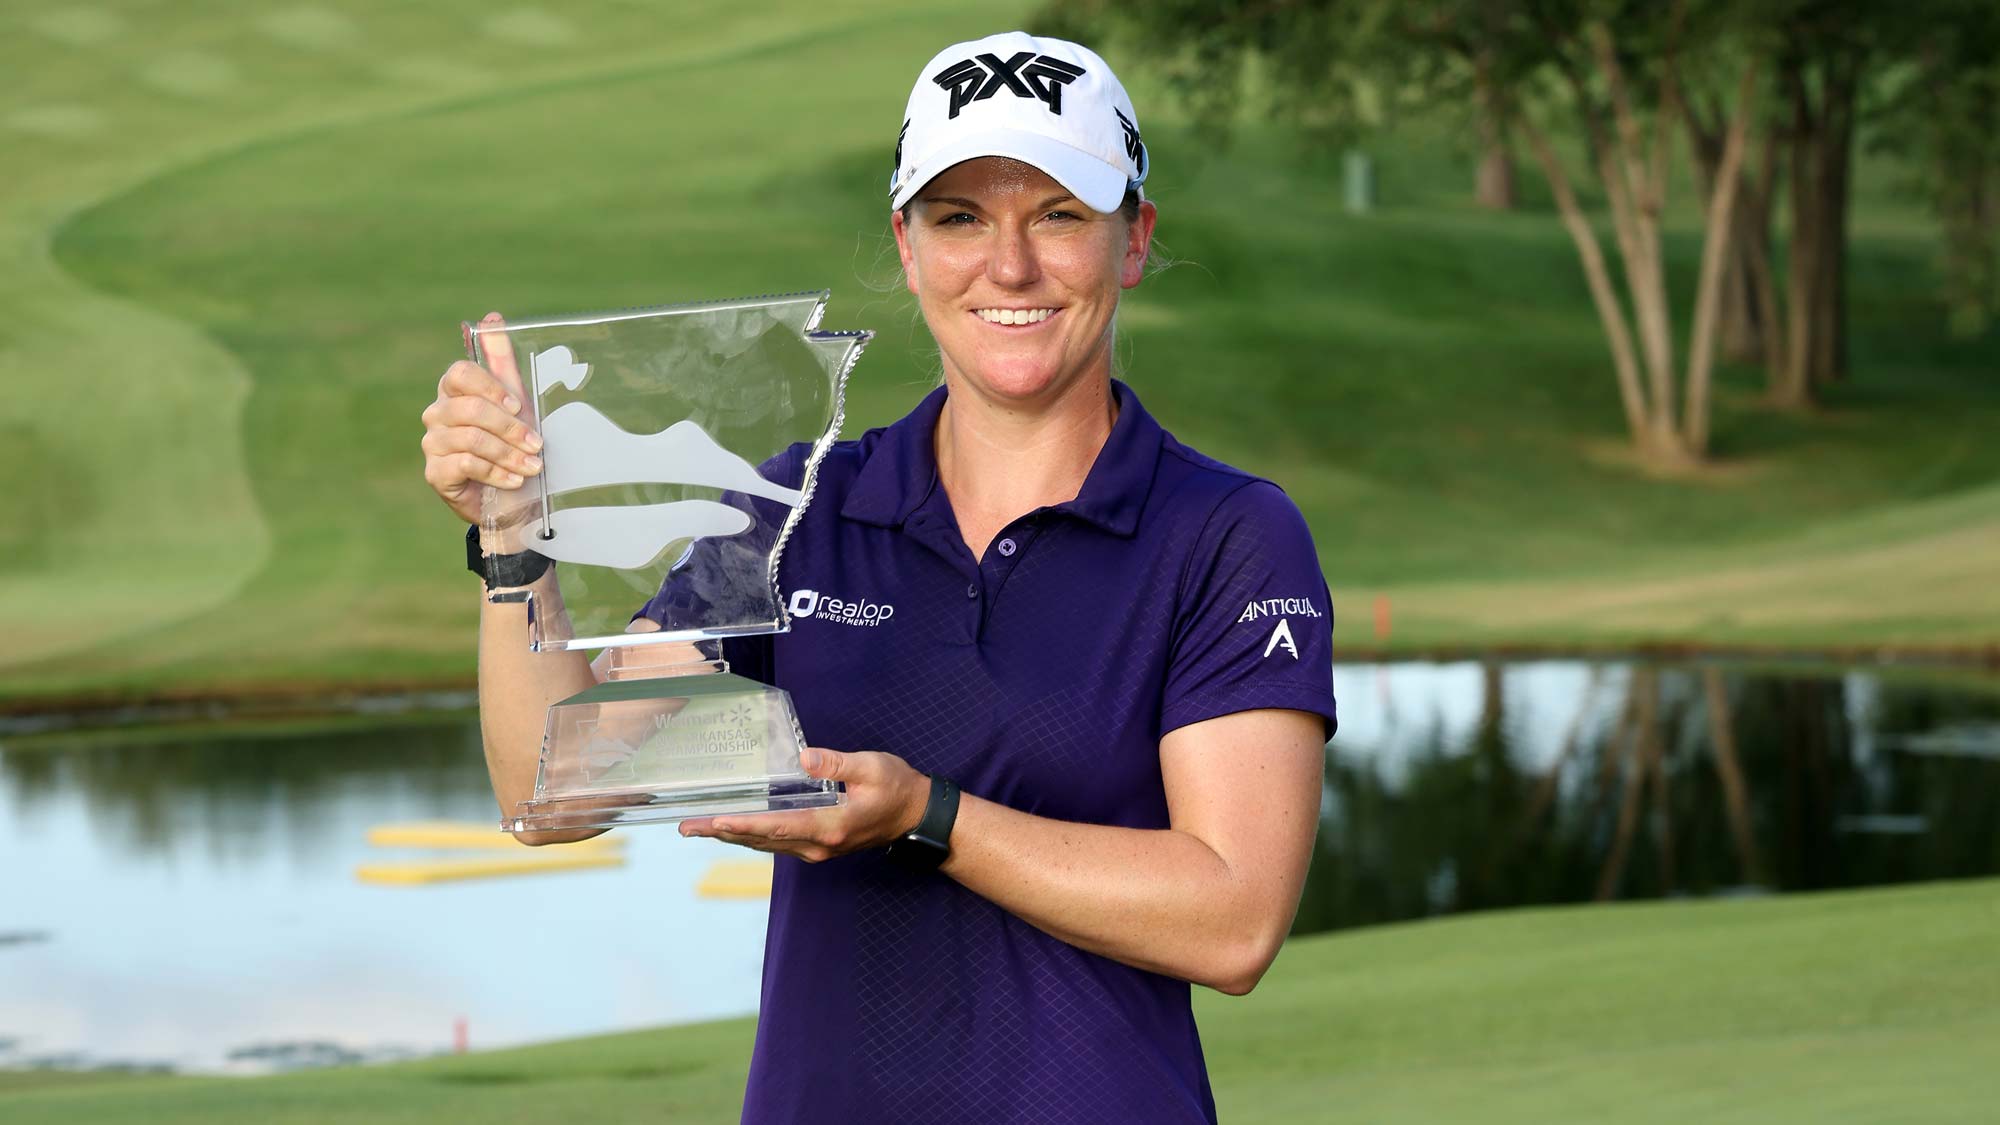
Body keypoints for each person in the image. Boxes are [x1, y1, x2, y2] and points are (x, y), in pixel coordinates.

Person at [419, 31, 1334, 1125]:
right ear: (906, 246)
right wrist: (515, 540)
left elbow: (1232, 923)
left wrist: (928, 817)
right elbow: (556, 794)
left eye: (1057, 215)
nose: (1009, 267)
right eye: (960, 219)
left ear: (1131, 240)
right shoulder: (795, 505)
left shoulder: (1226, 534)